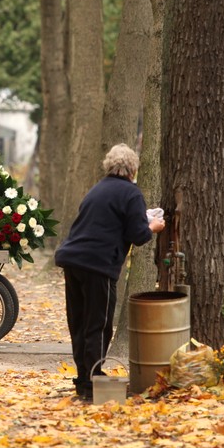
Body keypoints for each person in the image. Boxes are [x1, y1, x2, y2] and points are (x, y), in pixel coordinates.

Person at [54, 144, 166, 401]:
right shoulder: (131, 193)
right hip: (98, 266)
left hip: (73, 260)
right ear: (133, 169)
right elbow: (137, 236)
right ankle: (93, 382)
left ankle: (84, 380)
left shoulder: (97, 189)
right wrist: (153, 226)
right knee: (99, 324)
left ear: (109, 166)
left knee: (79, 323)